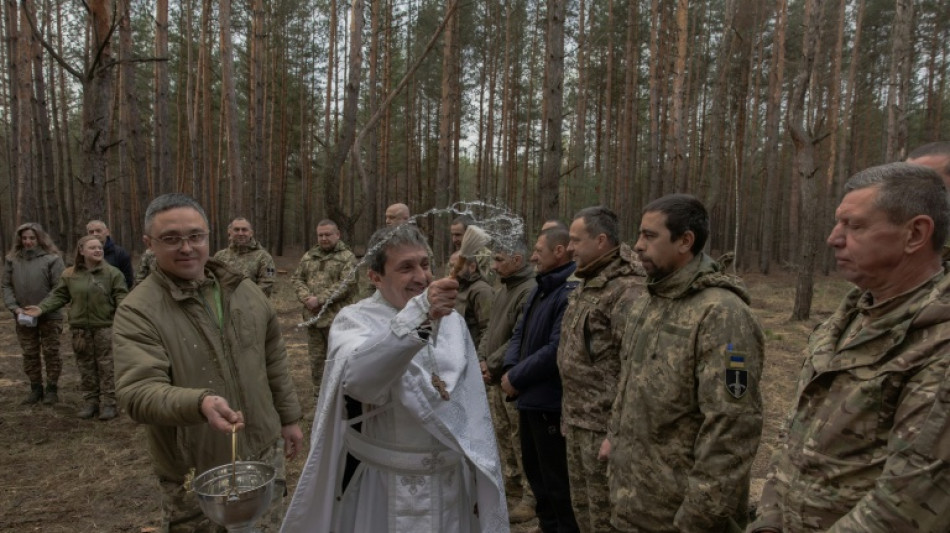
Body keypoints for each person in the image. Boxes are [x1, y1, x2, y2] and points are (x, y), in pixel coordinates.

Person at [750, 163, 950, 533]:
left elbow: (905, 507)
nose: (833, 238)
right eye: (838, 223)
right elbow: (793, 437)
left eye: (854, 226)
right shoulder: (845, 322)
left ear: (915, 234)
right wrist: (768, 521)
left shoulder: (938, 344)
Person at [281, 224, 507, 532]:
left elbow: (467, 403)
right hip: (384, 488)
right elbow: (361, 382)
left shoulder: (453, 321)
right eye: (406, 267)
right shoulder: (353, 320)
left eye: (425, 264)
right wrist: (419, 314)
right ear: (375, 277)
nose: (422, 276)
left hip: (449, 484)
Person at [113, 193, 303, 532]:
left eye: (195, 236)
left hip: (261, 453)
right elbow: (137, 392)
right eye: (171, 239)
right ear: (149, 244)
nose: (186, 247)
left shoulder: (244, 291)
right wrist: (199, 403)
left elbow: (273, 358)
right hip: (195, 471)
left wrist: (288, 418)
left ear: (208, 237)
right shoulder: (138, 310)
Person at [600, 194, 763, 532]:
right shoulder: (648, 301)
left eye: (650, 235)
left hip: (678, 516)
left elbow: (731, 430)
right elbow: (631, 383)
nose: (637, 245)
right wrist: (614, 437)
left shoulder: (721, 313)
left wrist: (697, 519)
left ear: (685, 241)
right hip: (632, 503)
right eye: (639, 235)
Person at [559, 206, 643, 533]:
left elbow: (634, 367)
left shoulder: (628, 289)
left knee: (607, 519)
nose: (569, 248)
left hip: (604, 430)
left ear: (601, 241)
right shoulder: (588, 283)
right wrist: (569, 414)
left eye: (576, 240)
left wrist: (615, 432)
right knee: (585, 516)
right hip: (579, 422)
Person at [502, 227, 580, 533]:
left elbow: (555, 349)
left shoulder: (569, 292)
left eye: (538, 250)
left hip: (550, 401)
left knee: (557, 483)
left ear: (558, 252)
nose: (533, 256)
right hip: (529, 400)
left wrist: (516, 377)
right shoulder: (540, 288)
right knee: (538, 478)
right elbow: (519, 333)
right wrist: (510, 368)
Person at [24, 235, 128, 420]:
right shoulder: (70, 275)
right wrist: (41, 308)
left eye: (99, 247)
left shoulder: (113, 274)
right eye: (92, 248)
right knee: (85, 366)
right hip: (80, 330)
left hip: (105, 327)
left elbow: (122, 297)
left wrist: (124, 317)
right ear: (81, 251)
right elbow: (59, 296)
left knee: (107, 366)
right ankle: (91, 402)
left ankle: (110, 403)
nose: (98, 250)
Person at [477, 240, 538, 524]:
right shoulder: (505, 288)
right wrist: (481, 360)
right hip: (493, 378)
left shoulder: (528, 290)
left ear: (517, 260)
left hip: (512, 379)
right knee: (502, 438)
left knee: (519, 438)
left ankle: (530, 497)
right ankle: (510, 490)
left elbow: (520, 336)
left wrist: (492, 364)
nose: (494, 266)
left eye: (499, 260)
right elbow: (490, 328)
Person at [291, 219, 358, 396]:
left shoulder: (347, 257)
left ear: (338, 235)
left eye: (328, 234)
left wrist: (319, 299)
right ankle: (319, 396)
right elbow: (297, 279)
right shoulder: (309, 256)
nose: (323, 238)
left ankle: (343, 396)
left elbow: (347, 284)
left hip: (337, 320)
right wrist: (306, 298)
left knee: (340, 360)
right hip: (313, 320)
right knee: (317, 361)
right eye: (320, 235)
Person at [2, 223, 65, 405]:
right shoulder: (12, 260)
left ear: (39, 238)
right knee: (29, 353)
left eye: (32, 238)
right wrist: (14, 307)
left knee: (51, 352)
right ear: (19, 240)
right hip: (23, 315)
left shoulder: (52, 259)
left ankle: (52, 389)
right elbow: (6, 285)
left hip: (49, 315)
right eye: (24, 238)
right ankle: (35, 388)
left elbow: (59, 288)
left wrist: (42, 308)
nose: (28, 242)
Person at [213, 217, 277, 297]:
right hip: (223, 306)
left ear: (251, 233)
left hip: (252, 306)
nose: (240, 233)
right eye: (236, 230)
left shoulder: (264, 257)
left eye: (244, 230)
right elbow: (212, 283)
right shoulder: (219, 257)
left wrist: (243, 300)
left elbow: (267, 284)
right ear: (230, 232)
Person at [451, 250, 493, 347]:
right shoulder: (456, 288)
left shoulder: (481, 291)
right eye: (451, 266)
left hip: (473, 353)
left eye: (457, 266)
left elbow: (488, 330)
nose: (452, 271)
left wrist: (480, 358)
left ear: (472, 267)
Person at [87, 220, 135, 289]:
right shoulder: (83, 254)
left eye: (98, 231)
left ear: (107, 232)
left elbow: (128, 281)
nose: (95, 234)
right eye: (91, 232)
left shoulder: (120, 253)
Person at [450, 215, 495, 284]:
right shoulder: (454, 257)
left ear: (470, 233)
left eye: (458, 235)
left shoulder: (487, 256)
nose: (454, 240)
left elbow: (488, 282)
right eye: (452, 235)